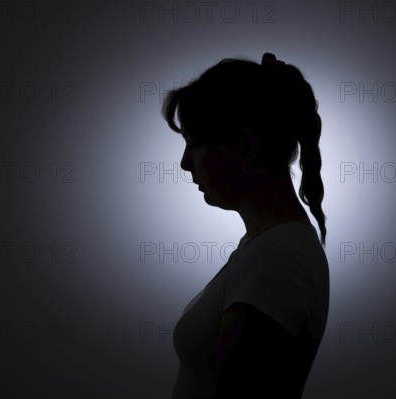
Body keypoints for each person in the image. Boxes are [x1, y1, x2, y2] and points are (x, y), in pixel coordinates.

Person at [162, 52, 329, 398]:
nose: (184, 164)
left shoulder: (278, 260)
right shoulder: (265, 247)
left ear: (247, 146)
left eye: (195, 144)